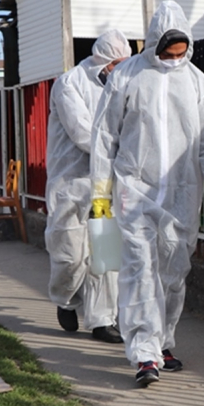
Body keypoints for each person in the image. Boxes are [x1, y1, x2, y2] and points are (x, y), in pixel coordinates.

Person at [90, 0, 204, 387]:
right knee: (139, 272)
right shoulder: (127, 77)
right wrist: (101, 192)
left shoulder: (197, 82)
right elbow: (105, 138)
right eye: (168, 52)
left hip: (183, 195)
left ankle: (163, 341)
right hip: (134, 190)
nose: (174, 59)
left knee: (173, 272)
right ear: (154, 44)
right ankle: (144, 354)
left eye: (181, 52)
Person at [45, 29, 131, 344]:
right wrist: (123, 149)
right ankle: (65, 298)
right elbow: (83, 133)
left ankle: (101, 321)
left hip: (106, 183)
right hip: (71, 182)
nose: (121, 69)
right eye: (118, 63)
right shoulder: (69, 84)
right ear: (104, 61)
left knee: (105, 255)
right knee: (70, 254)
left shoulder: (121, 87)